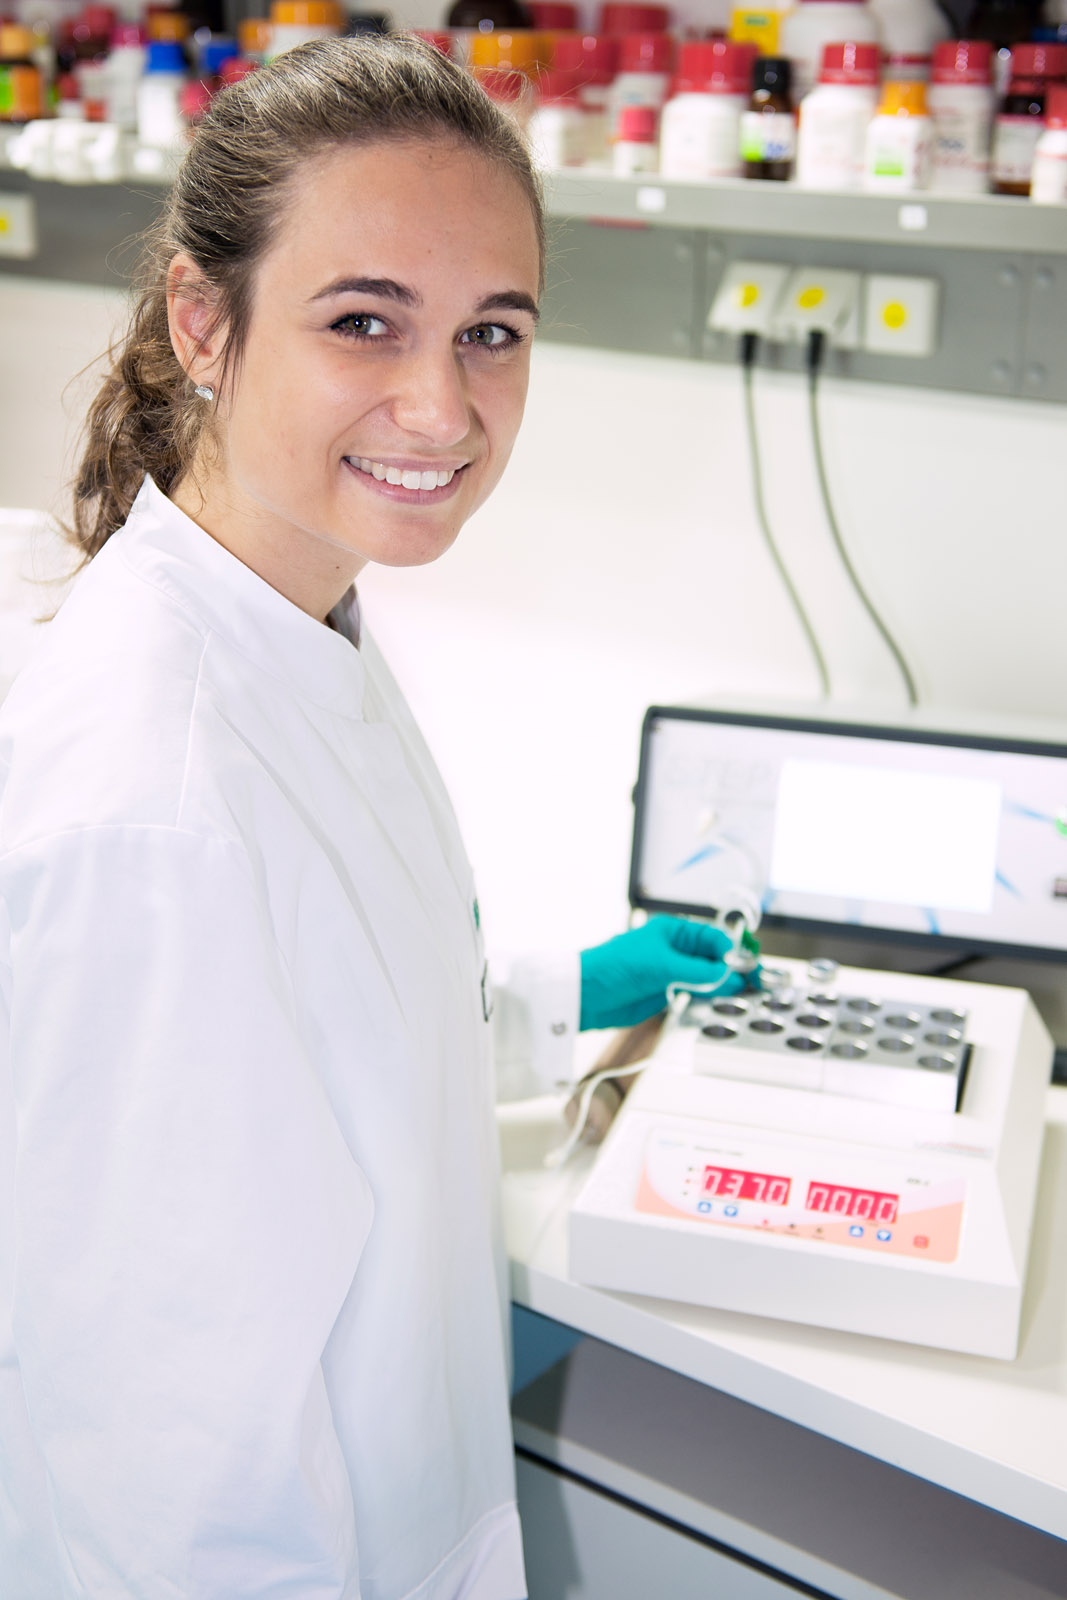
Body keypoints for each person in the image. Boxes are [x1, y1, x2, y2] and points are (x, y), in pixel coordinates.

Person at [0, 35, 740, 1600]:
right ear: (206, 324)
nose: (441, 403)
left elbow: (324, 1023)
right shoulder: (160, 809)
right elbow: (180, 1505)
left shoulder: (300, 616)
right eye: (363, 322)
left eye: (492, 331)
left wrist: (554, 997)